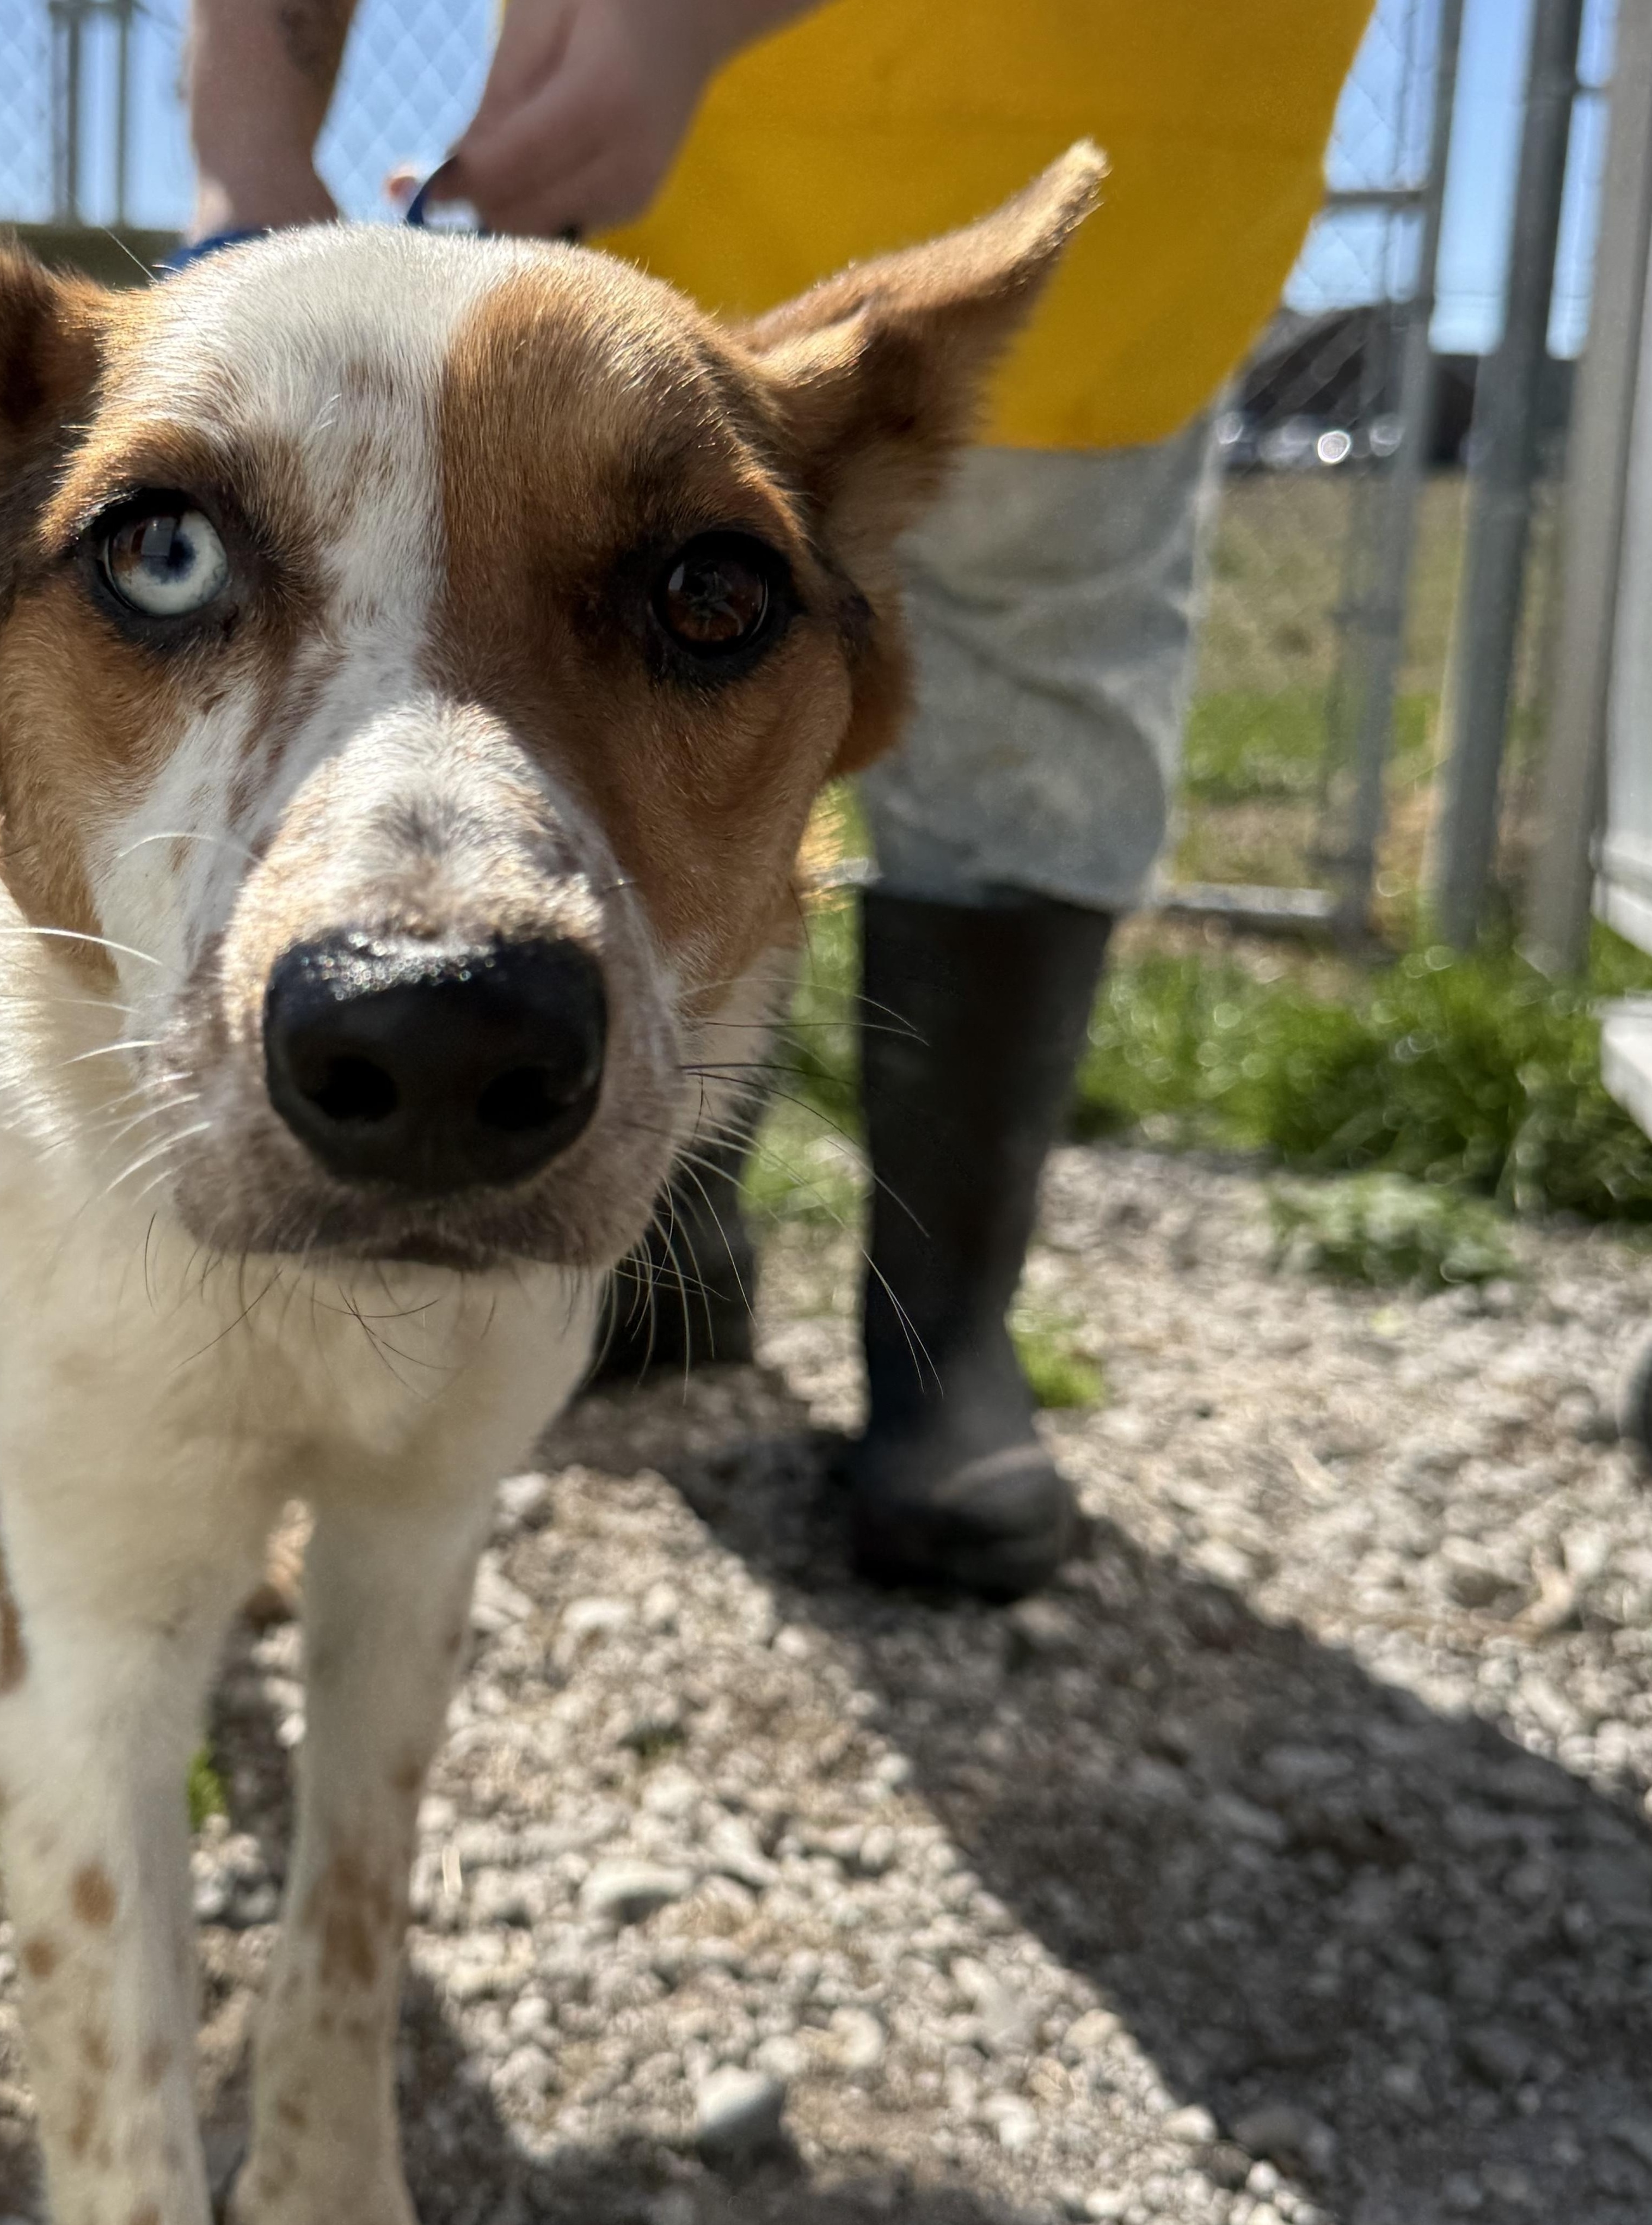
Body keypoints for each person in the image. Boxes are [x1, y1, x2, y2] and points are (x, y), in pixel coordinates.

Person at [185, 0, 1373, 1598]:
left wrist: (680, 28)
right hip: (659, 195)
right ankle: (671, 1244)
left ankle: (943, 1335)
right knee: (663, 696)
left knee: (1018, 726)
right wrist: (248, 156)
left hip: (1115, 124)